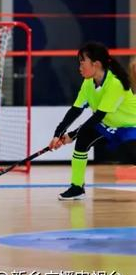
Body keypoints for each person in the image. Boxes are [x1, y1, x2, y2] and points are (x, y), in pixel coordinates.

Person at [49, 41, 136, 200]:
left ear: (96, 64)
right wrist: (58, 134)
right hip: (108, 125)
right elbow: (76, 110)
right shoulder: (88, 83)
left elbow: (98, 116)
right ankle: (77, 187)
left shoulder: (115, 83)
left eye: (82, 62)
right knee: (84, 138)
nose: (79, 67)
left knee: (131, 156)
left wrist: (72, 134)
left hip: (131, 126)